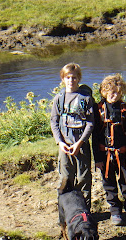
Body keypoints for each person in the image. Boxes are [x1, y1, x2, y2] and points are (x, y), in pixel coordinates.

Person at [92, 73, 126, 226]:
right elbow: (94, 136)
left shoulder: (124, 109)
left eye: (118, 93)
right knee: (109, 182)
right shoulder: (98, 109)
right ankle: (115, 210)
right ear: (104, 92)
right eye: (111, 92)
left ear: (122, 93)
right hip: (105, 154)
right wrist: (98, 159)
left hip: (122, 152)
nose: (114, 95)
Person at [51, 63, 95, 208]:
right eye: (68, 78)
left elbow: (90, 123)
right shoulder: (59, 98)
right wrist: (60, 142)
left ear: (79, 78)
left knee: (83, 178)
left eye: (74, 78)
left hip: (81, 145)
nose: (71, 81)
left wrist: (80, 142)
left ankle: (85, 211)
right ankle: (64, 211)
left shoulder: (86, 98)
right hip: (64, 146)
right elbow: (54, 121)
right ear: (63, 79)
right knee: (66, 178)